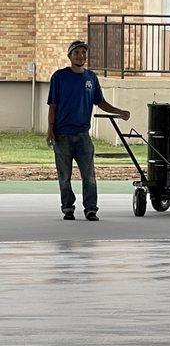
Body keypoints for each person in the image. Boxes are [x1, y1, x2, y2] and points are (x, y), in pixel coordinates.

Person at [47, 40, 130, 221]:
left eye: (83, 53)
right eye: (76, 53)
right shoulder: (59, 77)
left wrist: (120, 112)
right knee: (64, 176)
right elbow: (52, 106)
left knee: (89, 175)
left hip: (83, 136)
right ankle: (68, 208)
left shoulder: (91, 78)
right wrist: (50, 131)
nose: (81, 56)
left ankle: (90, 209)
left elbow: (100, 102)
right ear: (69, 56)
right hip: (62, 135)